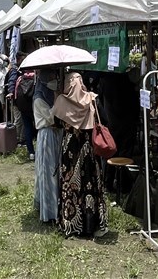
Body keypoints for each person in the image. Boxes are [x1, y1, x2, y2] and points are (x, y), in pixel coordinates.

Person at [52, 71, 108, 238]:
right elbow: (104, 119)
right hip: (89, 149)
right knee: (90, 185)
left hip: (70, 150)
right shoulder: (92, 99)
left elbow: (56, 123)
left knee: (71, 185)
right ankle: (92, 224)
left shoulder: (61, 100)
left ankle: (71, 223)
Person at [33, 68, 63, 223]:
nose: (54, 79)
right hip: (47, 135)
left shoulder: (51, 94)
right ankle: (49, 211)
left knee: (56, 171)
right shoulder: (39, 98)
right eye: (50, 76)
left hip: (56, 135)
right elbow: (51, 118)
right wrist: (58, 101)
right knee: (48, 171)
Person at [8, 52, 35, 161]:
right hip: (34, 106)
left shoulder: (20, 77)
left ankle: (31, 152)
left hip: (23, 106)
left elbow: (11, 83)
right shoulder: (36, 76)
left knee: (27, 127)